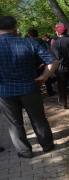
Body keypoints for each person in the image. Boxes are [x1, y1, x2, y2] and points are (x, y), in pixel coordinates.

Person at [0, 15, 58, 158]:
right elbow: (52, 61)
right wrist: (44, 77)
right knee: (38, 119)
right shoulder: (28, 43)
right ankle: (47, 145)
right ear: (15, 28)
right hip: (30, 89)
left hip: (5, 92)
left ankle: (25, 151)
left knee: (14, 124)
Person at [51, 24, 69, 109]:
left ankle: (63, 104)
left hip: (61, 68)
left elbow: (59, 57)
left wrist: (68, 65)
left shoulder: (56, 43)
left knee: (61, 87)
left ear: (58, 33)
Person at [28, 28, 57, 96]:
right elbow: (49, 51)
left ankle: (37, 93)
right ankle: (50, 91)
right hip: (44, 62)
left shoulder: (27, 42)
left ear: (29, 35)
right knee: (46, 77)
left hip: (33, 64)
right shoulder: (43, 41)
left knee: (34, 78)